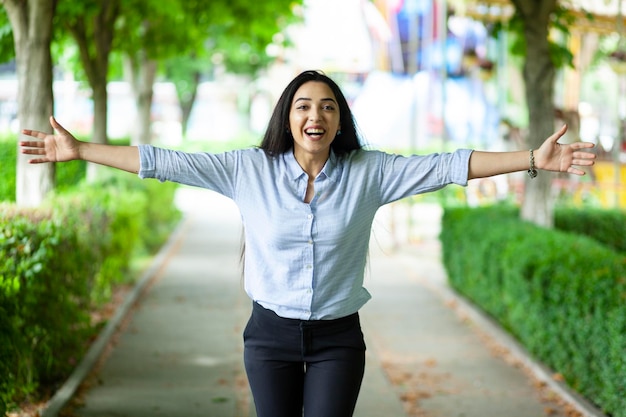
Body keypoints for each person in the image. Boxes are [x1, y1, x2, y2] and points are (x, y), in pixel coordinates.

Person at [19, 70, 596, 417]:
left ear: (339, 119)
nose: (315, 115)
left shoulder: (370, 173)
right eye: (303, 105)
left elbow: (448, 166)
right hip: (268, 335)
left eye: (327, 106)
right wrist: (82, 150)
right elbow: (163, 162)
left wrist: (530, 160)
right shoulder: (249, 170)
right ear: (287, 118)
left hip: (337, 340)